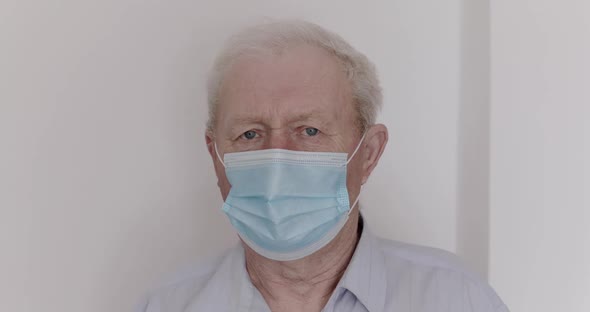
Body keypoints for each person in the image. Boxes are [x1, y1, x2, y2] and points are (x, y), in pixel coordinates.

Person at [137, 19, 509, 312]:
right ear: (214, 152)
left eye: (309, 130)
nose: (278, 158)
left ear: (368, 154)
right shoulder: (165, 306)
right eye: (250, 134)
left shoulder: (458, 300)